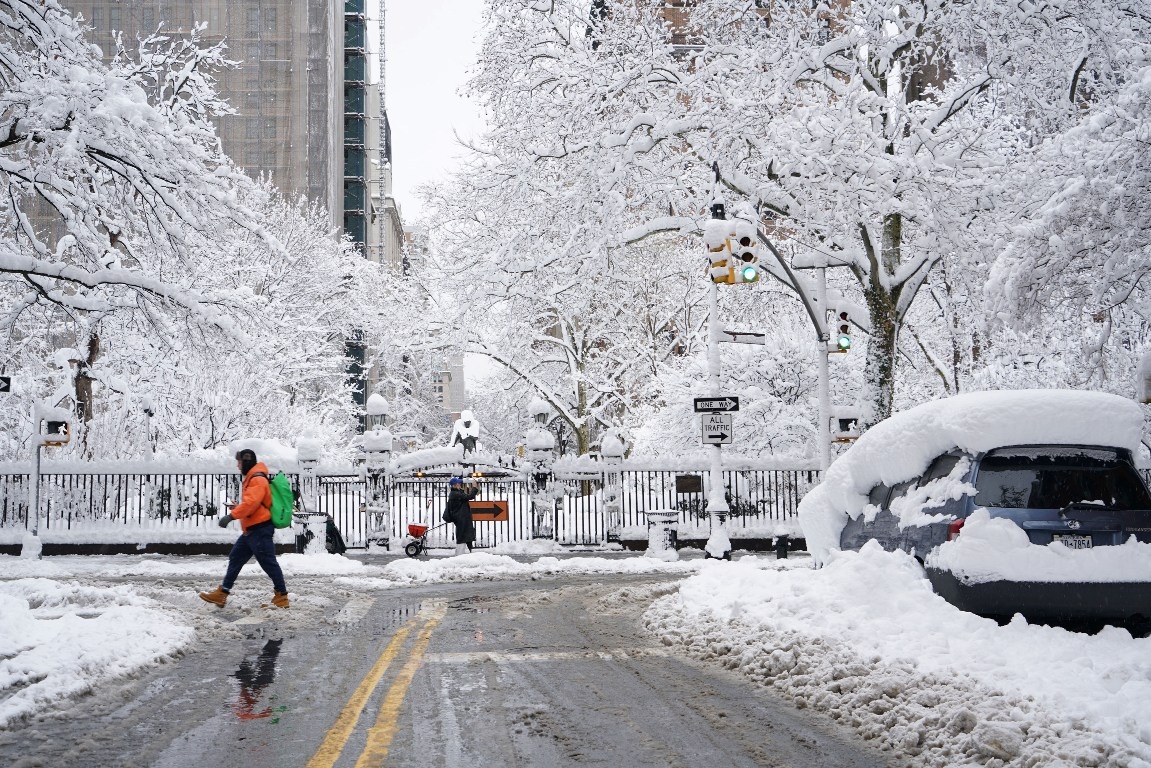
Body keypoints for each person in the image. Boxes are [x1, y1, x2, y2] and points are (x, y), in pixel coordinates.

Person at [199, 449, 289, 608]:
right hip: (251, 531)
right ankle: (222, 593)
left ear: (246, 461)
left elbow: (251, 504)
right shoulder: (253, 478)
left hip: (260, 530)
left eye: (239, 462)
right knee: (235, 558)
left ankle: (281, 597)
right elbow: (252, 503)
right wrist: (238, 507)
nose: (237, 466)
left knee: (269, 563)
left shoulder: (257, 479)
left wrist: (231, 516)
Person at [443, 476, 479, 555]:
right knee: (462, 538)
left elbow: (466, 496)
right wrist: (474, 487)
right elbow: (470, 496)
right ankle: (459, 556)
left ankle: (468, 554)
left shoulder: (457, 493)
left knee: (466, 537)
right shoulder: (455, 494)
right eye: (458, 483)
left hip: (463, 519)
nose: (460, 484)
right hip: (461, 519)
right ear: (454, 485)